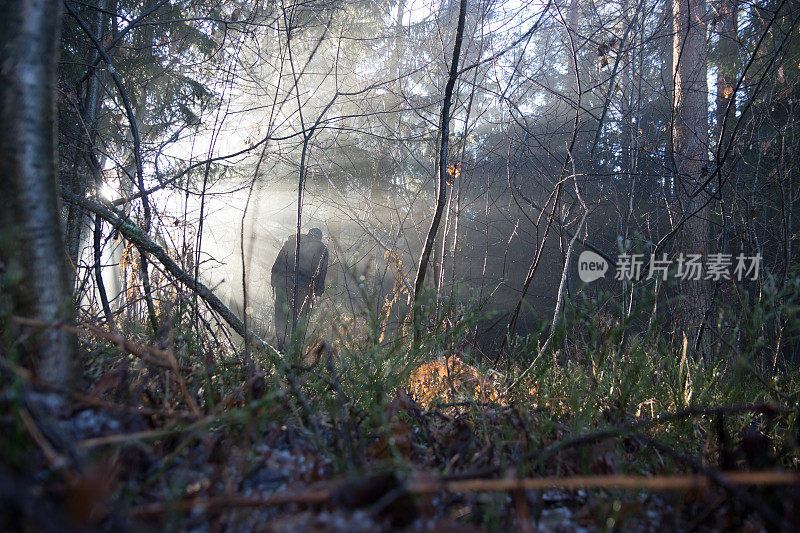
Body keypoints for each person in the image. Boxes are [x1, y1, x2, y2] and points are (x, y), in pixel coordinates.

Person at [271, 228, 329, 351]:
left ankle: (282, 350)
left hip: (283, 284)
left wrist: (274, 284)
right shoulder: (321, 248)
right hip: (304, 288)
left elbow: (277, 265)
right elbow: (321, 273)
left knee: (281, 318)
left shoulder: (292, 242)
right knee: (299, 320)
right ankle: (294, 353)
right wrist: (318, 293)